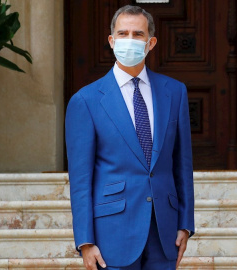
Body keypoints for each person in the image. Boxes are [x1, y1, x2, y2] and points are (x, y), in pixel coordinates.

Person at [65, 5, 194, 270]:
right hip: (112, 233)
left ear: (151, 42)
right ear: (112, 41)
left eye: (138, 34)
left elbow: (182, 163)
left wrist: (185, 223)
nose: (130, 40)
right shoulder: (86, 101)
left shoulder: (175, 92)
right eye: (122, 33)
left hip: (165, 232)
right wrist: (85, 241)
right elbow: (80, 180)